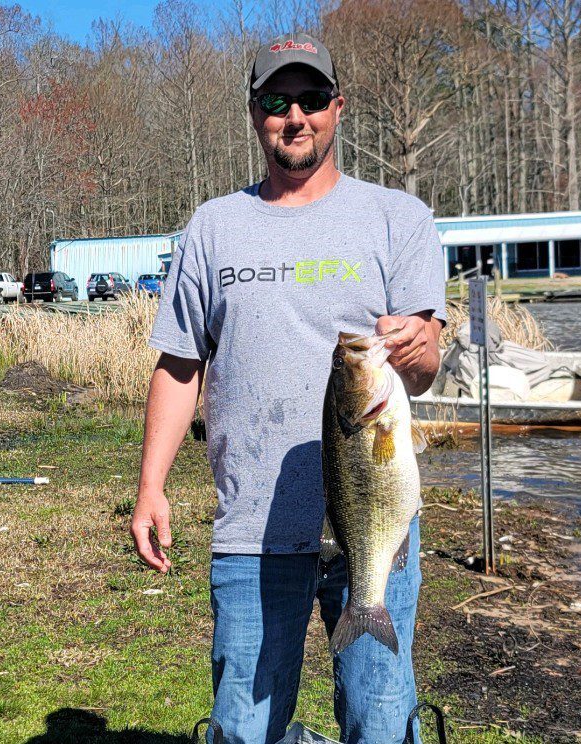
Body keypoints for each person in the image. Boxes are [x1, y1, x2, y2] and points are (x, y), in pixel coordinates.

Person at [131, 32, 446, 744]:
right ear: (255, 113)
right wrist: (151, 486)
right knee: (245, 726)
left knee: (380, 721)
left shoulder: (399, 218)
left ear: (338, 107)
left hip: (376, 527)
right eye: (277, 100)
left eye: (311, 98)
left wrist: (421, 347)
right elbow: (179, 364)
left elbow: (423, 372)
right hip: (252, 527)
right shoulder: (213, 227)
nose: (295, 116)